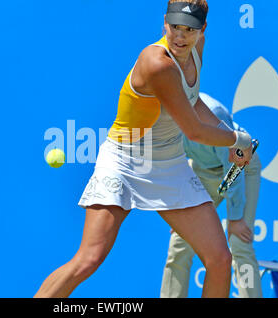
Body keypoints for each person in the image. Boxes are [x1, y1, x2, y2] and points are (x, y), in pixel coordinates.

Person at [34, 0, 253, 298]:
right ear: (165, 22)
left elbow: (194, 102)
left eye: (189, 30)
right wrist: (238, 140)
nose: (180, 36)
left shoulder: (195, 50)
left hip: (170, 164)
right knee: (88, 260)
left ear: (202, 31)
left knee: (219, 259)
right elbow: (194, 131)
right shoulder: (157, 63)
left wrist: (231, 135)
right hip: (124, 164)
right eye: (174, 27)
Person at [160, 92, 263, 298]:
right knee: (179, 243)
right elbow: (173, 168)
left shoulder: (212, 113)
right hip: (202, 171)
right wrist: (179, 212)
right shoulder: (159, 118)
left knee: (238, 243)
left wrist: (235, 219)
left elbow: (234, 164)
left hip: (241, 166)